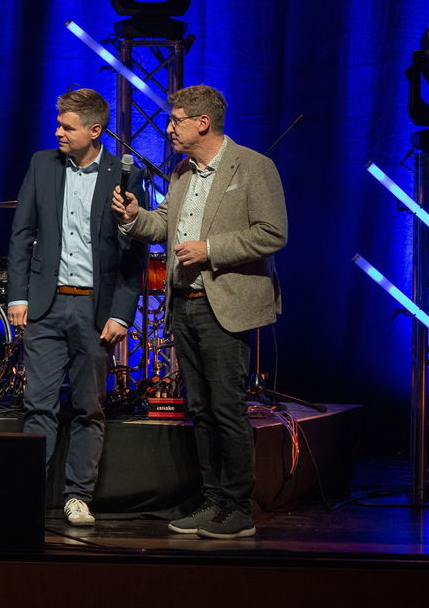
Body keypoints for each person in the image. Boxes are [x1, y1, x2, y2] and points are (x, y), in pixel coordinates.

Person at [112, 85, 286, 539]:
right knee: (201, 409)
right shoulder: (183, 173)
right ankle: (213, 500)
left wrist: (210, 249)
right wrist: (133, 217)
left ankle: (237, 507)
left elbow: (272, 233)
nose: (168, 128)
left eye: (176, 120)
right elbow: (163, 226)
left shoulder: (252, 167)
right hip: (184, 304)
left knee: (226, 408)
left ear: (202, 123)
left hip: (224, 304)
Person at [7, 88, 145, 527]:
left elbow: (133, 252)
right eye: (59, 124)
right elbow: (20, 233)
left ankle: (78, 495)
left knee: (89, 407)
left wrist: (122, 313)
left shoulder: (124, 174)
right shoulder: (41, 164)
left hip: (94, 310)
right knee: (38, 404)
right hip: (46, 307)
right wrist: (18, 295)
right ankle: (25, 495)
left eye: (67, 127)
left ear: (94, 130)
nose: (58, 132)